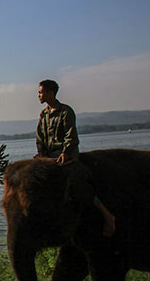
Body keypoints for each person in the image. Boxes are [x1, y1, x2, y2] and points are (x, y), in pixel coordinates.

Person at [35, 80, 116, 237]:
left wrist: (65, 152)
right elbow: (40, 138)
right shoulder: (43, 114)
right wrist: (41, 154)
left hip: (66, 155)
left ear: (51, 93)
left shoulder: (66, 111)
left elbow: (70, 135)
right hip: (49, 156)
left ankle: (107, 215)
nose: (39, 95)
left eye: (41, 92)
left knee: (78, 183)